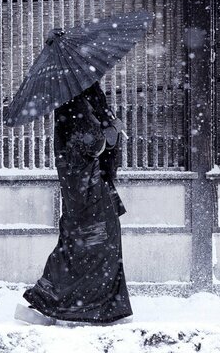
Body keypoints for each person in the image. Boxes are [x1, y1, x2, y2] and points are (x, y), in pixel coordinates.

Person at [14, 81, 132, 325]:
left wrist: (109, 127)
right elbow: (85, 144)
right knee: (88, 241)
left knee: (97, 241)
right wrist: (109, 133)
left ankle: (101, 307)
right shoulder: (72, 97)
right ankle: (52, 304)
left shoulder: (85, 91)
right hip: (84, 186)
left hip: (91, 183)